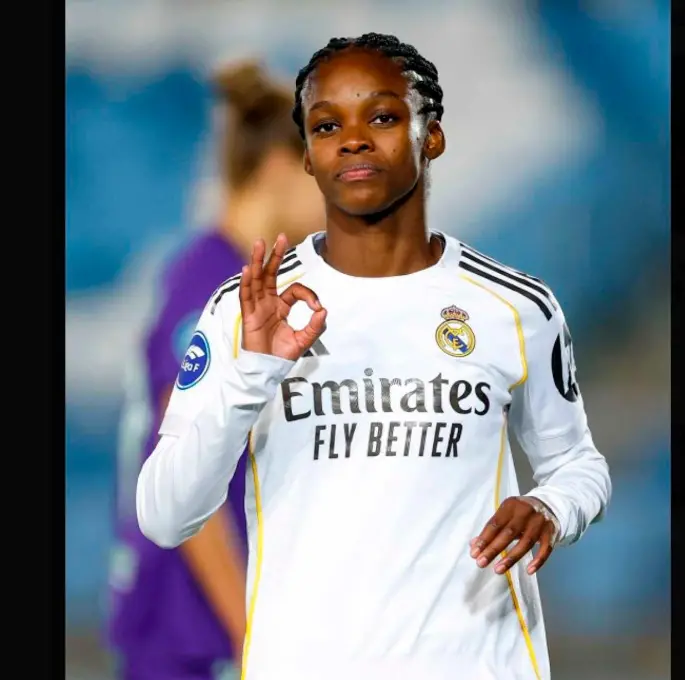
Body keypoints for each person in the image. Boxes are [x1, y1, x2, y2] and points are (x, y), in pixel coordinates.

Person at [136, 33, 612, 680]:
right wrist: (253, 372)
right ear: (306, 154)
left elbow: (578, 465)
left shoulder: (517, 308)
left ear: (432, 135)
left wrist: (554, 507)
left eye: (382, 116)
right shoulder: (244, 309)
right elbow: (165, 515)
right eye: (327, 125)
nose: (353, 140)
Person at [108, 60, 323, 680]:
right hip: (190, 634)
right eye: (323, 177)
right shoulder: (210, 289)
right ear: (281, 170)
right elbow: (184, 470)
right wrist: (254, 639)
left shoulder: (228, 279)